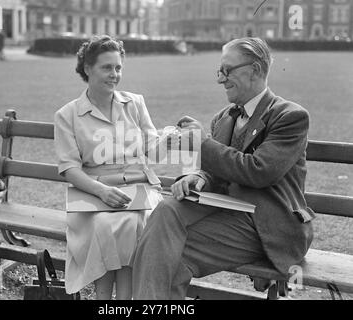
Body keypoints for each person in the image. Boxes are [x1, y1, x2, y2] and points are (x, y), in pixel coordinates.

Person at [132, 37, 315, 299]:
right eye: (220, 71)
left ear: (255, 70)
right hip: (227, 214)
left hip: (269, 225)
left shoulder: (290, 116)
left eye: (227, 70)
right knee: (167, 208)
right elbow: (217, 172)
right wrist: (198, 178)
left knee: (165, 255)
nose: (221, 79)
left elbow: (259, 171)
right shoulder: (223, 117)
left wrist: (201, 143)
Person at [54, 35, 166, 300]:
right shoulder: (67, 115)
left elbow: (153, 151)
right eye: (107, 67)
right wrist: (101, 191)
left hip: (139, 189)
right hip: (92, 194)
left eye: (118, 67)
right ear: (87, 68)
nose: (114, 74)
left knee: (135, 221)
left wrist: (171, 138)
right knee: (106, 224)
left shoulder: (135, 103)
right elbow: (70, 169)